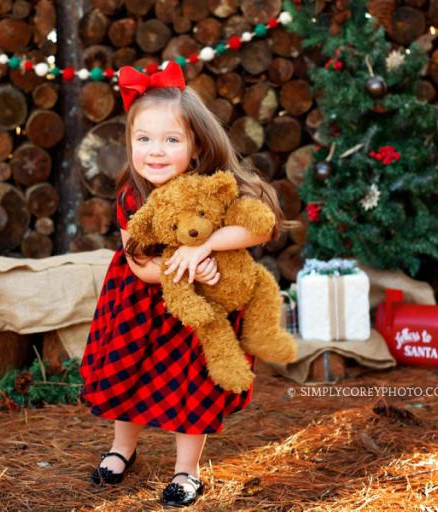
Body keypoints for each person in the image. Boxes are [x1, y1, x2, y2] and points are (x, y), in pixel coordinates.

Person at [79, 62, 288, 507]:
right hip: (138, 304)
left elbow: (260, 228)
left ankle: (186, 472)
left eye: (171, 140)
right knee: (127, 377)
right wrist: (188, 264)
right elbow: (140, 265)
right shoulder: (131, 196)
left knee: (192, 386)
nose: (155, 151)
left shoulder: (215, 187)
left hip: (201, 312)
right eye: (144, 139)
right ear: (130, 142)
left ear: (195, 147)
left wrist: (204, 247)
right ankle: (123, 448)